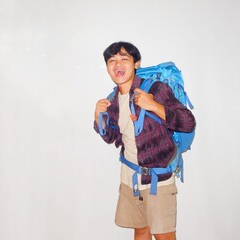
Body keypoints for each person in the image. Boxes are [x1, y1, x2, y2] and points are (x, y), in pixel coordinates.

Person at [93, 41, 196, 240]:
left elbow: (188, 122)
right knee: (140, 232)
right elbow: (111, 137)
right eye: (112, 61)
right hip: (130, 176)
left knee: (164, 236)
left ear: (136, 63)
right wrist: (98, 117)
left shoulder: (156, 89)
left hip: (158, 178)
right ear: (107, 67)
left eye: (124, 59)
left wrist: (154, 105)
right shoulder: (113, 99)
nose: (118, 65)